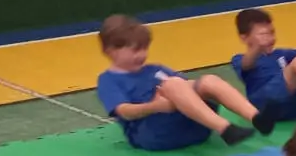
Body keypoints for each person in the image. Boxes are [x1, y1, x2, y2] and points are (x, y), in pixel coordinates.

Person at [97, 13, 274, 149]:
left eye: (144, 49)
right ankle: (224, 128)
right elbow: (124, 111)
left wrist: (193, 88)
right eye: (135, 50)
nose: (142, 55)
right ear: (111, 51)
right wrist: (155, 106)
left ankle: (256, 117)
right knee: (174, 84)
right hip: (154, 134)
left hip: (194, 127)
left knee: (207, 81)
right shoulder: (109, 79)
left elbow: (187, 89)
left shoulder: (155, 69)